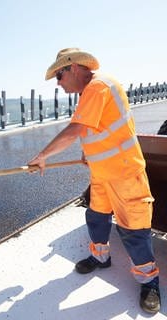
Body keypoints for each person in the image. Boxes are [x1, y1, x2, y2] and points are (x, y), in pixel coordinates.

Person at [28, 48, 160, 313]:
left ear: (74, 68)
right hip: (102, 174)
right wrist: (87, 152)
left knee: (134, 229)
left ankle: (149, 282)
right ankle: (100, 258)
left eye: (59, 75)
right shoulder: (91, 91)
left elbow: (76, 128)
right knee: (97, 217)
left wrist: (42, 155)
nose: (58, 82)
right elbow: (94, 129)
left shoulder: (98, 86)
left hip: (124, 174)